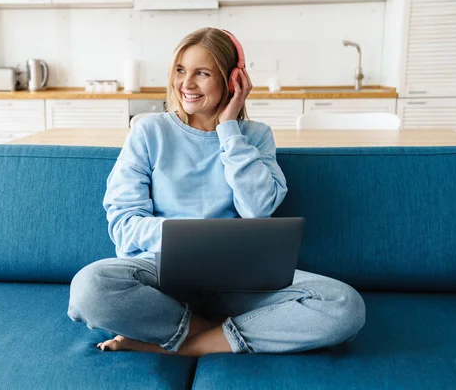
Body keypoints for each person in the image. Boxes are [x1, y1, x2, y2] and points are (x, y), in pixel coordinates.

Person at [67, 27, 366, 357]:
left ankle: (180, 347)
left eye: (202, 73)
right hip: (160, 275)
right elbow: (124, 224)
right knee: (90, 288)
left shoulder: (256, 136)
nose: (187, 84)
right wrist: (187, 239)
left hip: (237, 279)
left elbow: (257, 210)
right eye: (180, 71)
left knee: (343, 305)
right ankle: (228, 333)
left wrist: (229, 129)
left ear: (233, 81)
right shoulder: (149, 132)